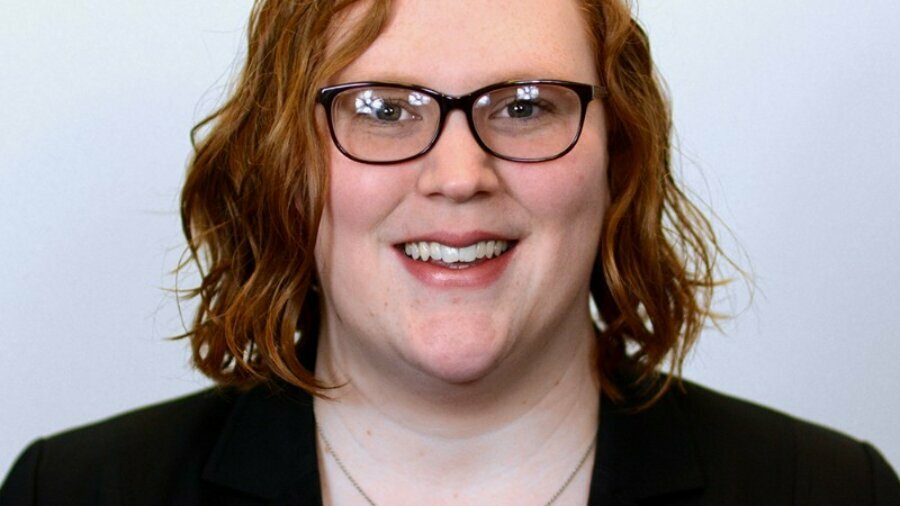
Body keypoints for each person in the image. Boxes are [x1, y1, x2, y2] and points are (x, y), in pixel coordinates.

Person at [2, 0, 898, 504]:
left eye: (525, 104)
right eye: (384, 110)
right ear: (285, 159)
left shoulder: (830, 494)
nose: (459, 174)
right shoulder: (70, 496)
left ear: (616, 152)